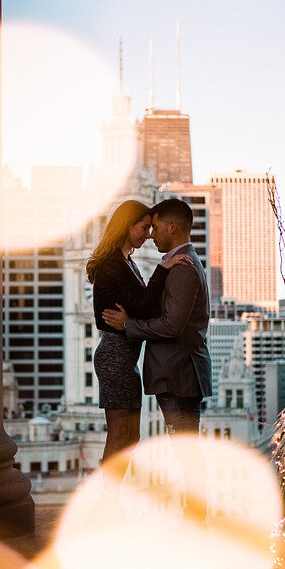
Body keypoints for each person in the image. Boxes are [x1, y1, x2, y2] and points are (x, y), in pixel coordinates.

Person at [103, 198, 212, 517]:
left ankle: (194, 520)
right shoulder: (179, 262)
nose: (152, 234)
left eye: (157, 227)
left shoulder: (183, 267)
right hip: (178, 372)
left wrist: (129, 326)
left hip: (179, 374)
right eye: (146, 228)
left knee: (186, 452)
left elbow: (172, 325)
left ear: (173, 227)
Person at [87, 199, 190, 477]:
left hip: (126, 358)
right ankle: (107, 501)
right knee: (119, 437)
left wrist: (131, 320)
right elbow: (142, 305)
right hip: (115, 356)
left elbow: (140, 308)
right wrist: (165, 268)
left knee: (131, 439)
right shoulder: (111, 264)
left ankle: (113, 498)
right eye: (144, 228)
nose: (148, 235)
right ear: (127, 226)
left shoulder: (126, 261)